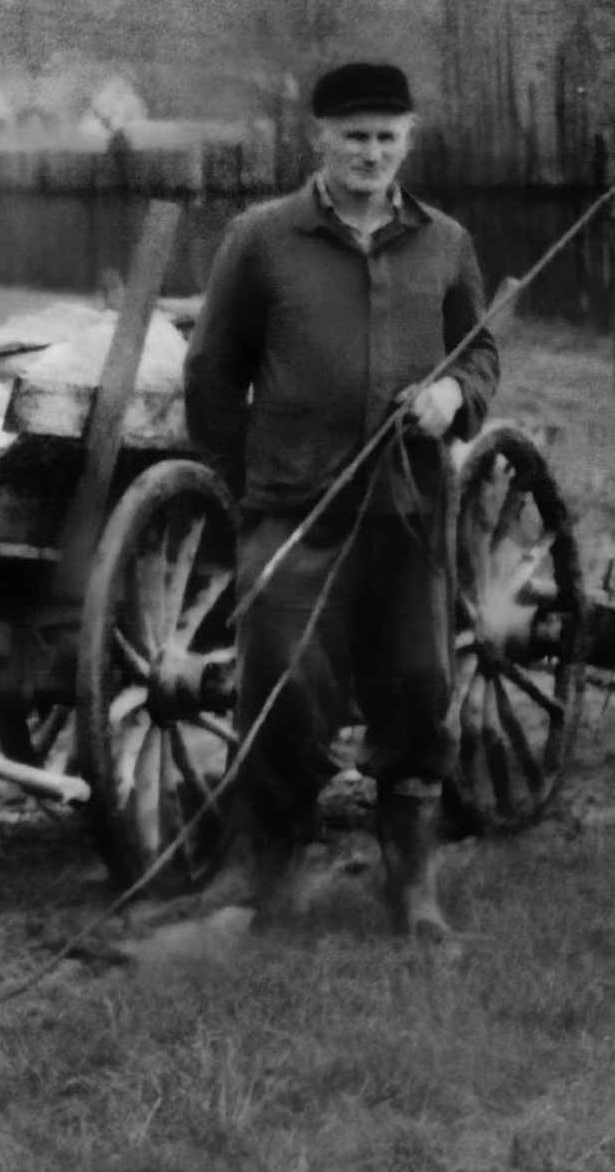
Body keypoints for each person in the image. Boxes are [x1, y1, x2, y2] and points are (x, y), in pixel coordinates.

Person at [181, 61, 498, 938]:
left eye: (387, 136)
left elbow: (479, 352)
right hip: (297, 512)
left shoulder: (445, 243)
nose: (371, 153)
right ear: (319, 138)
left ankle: (414, 889)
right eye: (354, 136)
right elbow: (212, 373)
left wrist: (452, 396)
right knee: (281, 691)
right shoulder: (261, 239)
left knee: (419, 688)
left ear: (409, 139)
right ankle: (274, 883)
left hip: (409, 515)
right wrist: (247, 486)